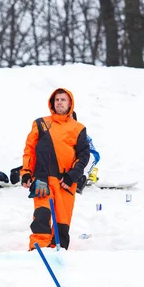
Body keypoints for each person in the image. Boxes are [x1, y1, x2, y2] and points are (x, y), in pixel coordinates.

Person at [21, 88, 90, 250]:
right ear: (52, 103)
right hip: (42, 180)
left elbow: (84, 155)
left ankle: (58, 251)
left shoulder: (78, 128)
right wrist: (26, 172)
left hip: (65, 182)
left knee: (62, 222)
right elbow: (29, 150)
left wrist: (72, 176)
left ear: (70, 104)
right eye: (57, 99)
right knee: (41, 215)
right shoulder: (40, 123)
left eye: (63, 100)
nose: (59, 102)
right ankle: (38, 250)